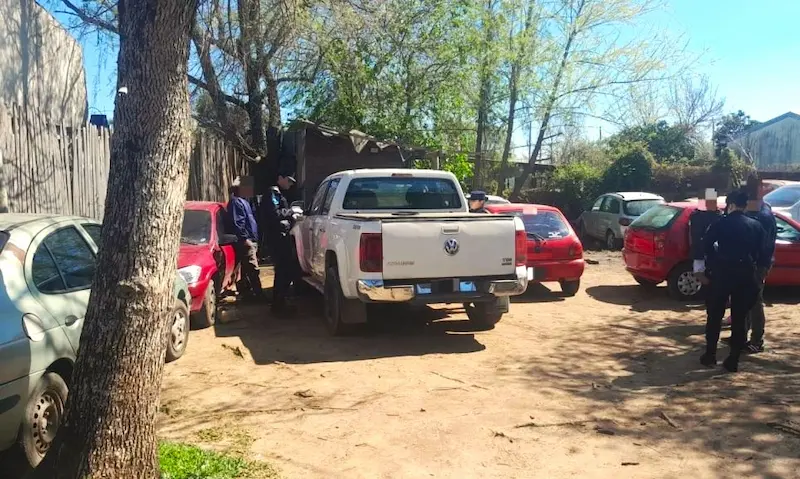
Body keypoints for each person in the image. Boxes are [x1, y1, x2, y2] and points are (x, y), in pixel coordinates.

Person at [699, 190, 766, 372]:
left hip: (723, 273)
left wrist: (714, 261)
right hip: (745, 274)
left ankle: (710, 355)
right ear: (744, 205)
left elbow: (705, 246)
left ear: (731, 205)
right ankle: (733, 359)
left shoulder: (720, 223)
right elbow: (763, 253)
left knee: (714, 316)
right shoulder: (756, 226)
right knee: (739, 317)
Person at [742, 180, 777, 354]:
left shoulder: (763, 216)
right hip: (751, 263)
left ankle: (757, 340)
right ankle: (742, 336)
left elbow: (764, 245)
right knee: (745, 301)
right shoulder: (757, 212)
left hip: (758, 265)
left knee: (755, 302)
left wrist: (760, 265)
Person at [262, 171, 299, 314]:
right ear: (280, 178)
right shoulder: (273, 193)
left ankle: (280, 302)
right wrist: (291, 212)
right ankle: (278, 305)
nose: (290, 184)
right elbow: (274, 213)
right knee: (283, 271)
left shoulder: (278, 194)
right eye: (288, 181)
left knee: (286, 271)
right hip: (277, 238)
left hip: (282, 237)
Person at [228, 178, 264, 300]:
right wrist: (244, 239)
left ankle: (246, 292)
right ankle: (258, 294)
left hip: (251, 239)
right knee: (252, 267)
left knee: (245, 268)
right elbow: (238, 223)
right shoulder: (236, 202)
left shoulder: (245, 202)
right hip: (246, 240)